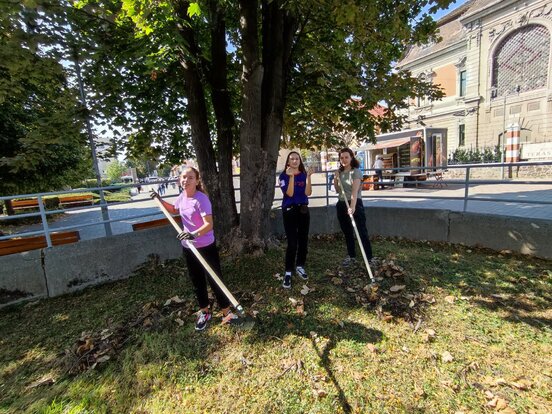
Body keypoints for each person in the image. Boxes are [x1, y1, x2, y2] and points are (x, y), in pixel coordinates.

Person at [151, 167, 239, 330]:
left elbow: (209, 224)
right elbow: (173, 209)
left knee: (215, 279)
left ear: (197, 181)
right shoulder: (182, 197)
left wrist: (193, 234)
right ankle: (205, 312)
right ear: (180, 180)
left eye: (190, 177)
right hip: (189, 247)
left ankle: (226, 312)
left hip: (205, 246)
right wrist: (159, 199)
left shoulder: (201, 199)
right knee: (197, 281)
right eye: (183, 177)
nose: (186, 180)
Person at [333, 148, 374, 267]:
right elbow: (337, 190)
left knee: (361, 231)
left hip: (355, 203)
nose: (344, 160)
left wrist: (352, 207)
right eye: (341, 158)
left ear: (351, 157)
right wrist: (336, 178)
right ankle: (351, 256)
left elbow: (354, 192)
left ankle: (369, 258)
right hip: (341, 204)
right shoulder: (340, 172)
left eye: (346, 157)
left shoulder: (356, 172)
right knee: (347, 232)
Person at [278, 151, 313, 289]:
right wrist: (291, 177)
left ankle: (300, 265)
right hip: (289, 211)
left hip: (303, 210)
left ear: (300, 161)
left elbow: (308, 193)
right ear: (288, 162)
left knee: (303, 240)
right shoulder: (283, 176)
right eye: (292, 159)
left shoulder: (303, 174)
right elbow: (290, 193)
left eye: (297, 159)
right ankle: (288, 271)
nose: (294, 161)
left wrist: (309, 178)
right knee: (292, 242)